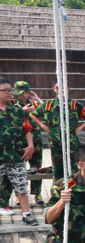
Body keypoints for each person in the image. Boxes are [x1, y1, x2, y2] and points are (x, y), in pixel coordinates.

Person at [28, 82, 85, 181]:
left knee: (73, 168)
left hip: (71, 142)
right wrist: (43, 126)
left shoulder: (75, 105)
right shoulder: (48, 105)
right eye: (58, 88)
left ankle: (75, 189)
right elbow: (32, 115)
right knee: (57, 169)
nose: (61, 90)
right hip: (56, 143)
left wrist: (80, 128)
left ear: (68, 89)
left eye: (64, 87)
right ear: (54, 89)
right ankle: (58, 191)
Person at [0, 77, 38, 225]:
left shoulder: (16, 110)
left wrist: (30, 145)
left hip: (16, 156)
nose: (11, 93)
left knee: (21, 186)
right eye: (6, 91)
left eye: (11, 90)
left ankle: (26, 215)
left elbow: (26, 128)